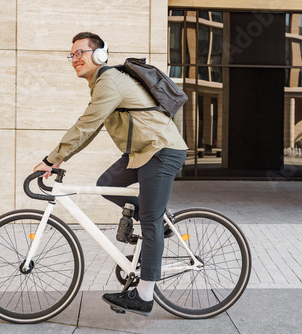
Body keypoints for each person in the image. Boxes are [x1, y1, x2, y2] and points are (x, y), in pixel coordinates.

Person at [33, 32, 187, 316]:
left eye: (80, 53)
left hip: (161, 150)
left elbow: (86, 125)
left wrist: (50, 159)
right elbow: (90, 130)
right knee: (107, 184)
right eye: (72, 55)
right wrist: (59, 160)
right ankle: (160, 223)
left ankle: (144, 296)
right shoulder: (101, 85)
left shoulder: (109, 81)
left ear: (100, 55)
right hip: (142, 151)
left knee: (149, 220)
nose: (74, 59)